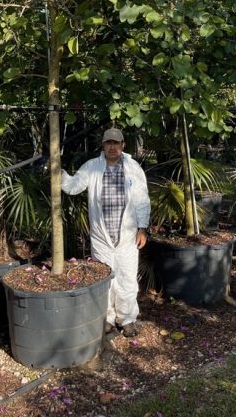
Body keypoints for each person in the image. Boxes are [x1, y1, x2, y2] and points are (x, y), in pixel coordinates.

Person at [61, 127, 150, 337]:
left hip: (128, 236)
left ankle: (127, 319)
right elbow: (73, 186)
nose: (112, 147)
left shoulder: (133, 168)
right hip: (102, 237)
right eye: (108, 143)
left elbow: (142, 200)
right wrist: (59, 173)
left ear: (123, 145)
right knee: (104, 279)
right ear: (103, 145)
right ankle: (108, 318)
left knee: (127, 278)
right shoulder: (92, 167)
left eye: (116, 143)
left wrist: (142, 228)